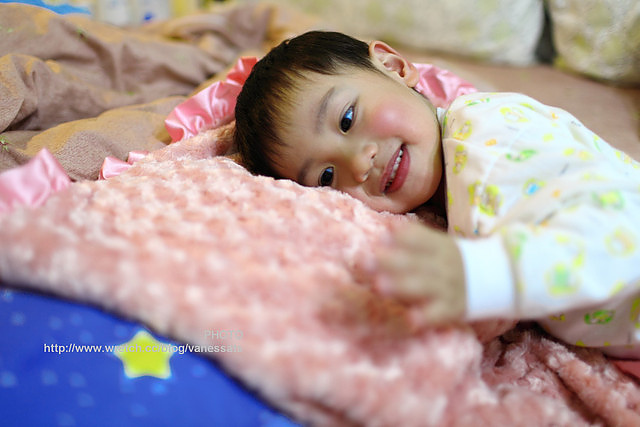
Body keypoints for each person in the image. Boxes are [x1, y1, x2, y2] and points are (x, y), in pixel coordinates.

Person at [234, 31, 640, 358]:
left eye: (347, 118)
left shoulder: (488, 131)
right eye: (326, 176)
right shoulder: (445, 195)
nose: (358, 163)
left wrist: (487, 274)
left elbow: (623, 227)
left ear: (394, 67)